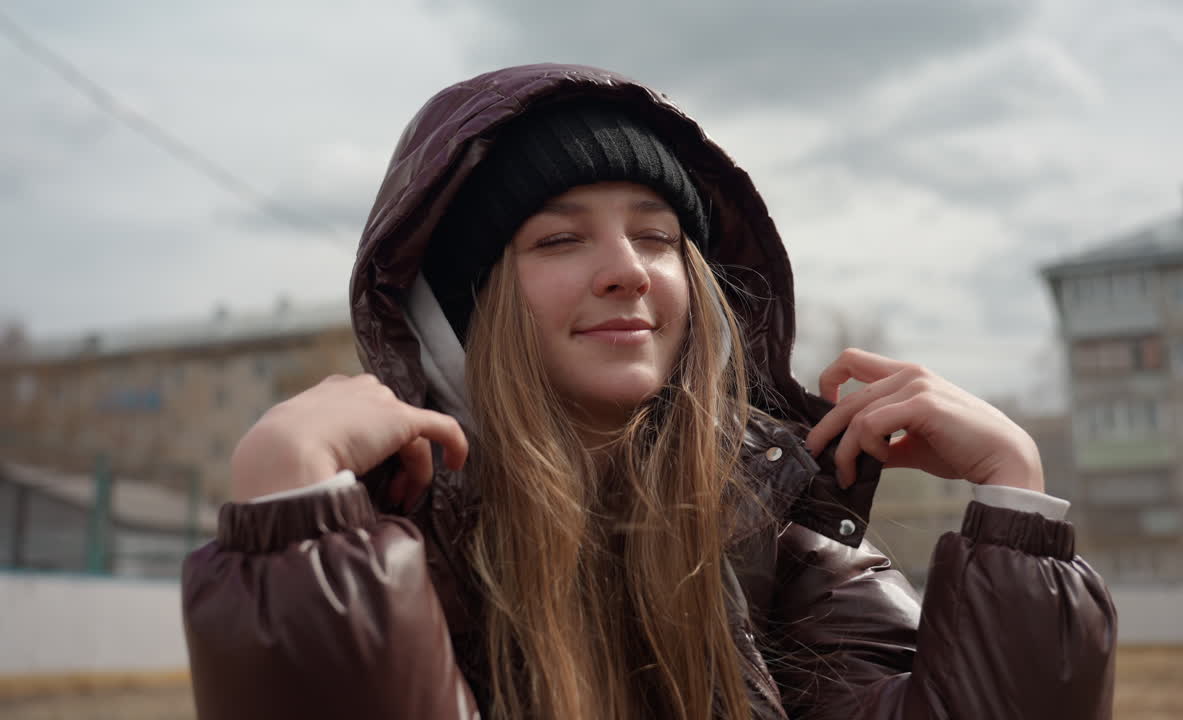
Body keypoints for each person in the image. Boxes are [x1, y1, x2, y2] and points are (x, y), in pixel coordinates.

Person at [182, 64, 1116, 720]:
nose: (627, 270)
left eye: (658, 237)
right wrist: (292, 526)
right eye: (559, 239)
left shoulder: (779, 537)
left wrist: (1015, 502)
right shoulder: (387, 552)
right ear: (459, 318)